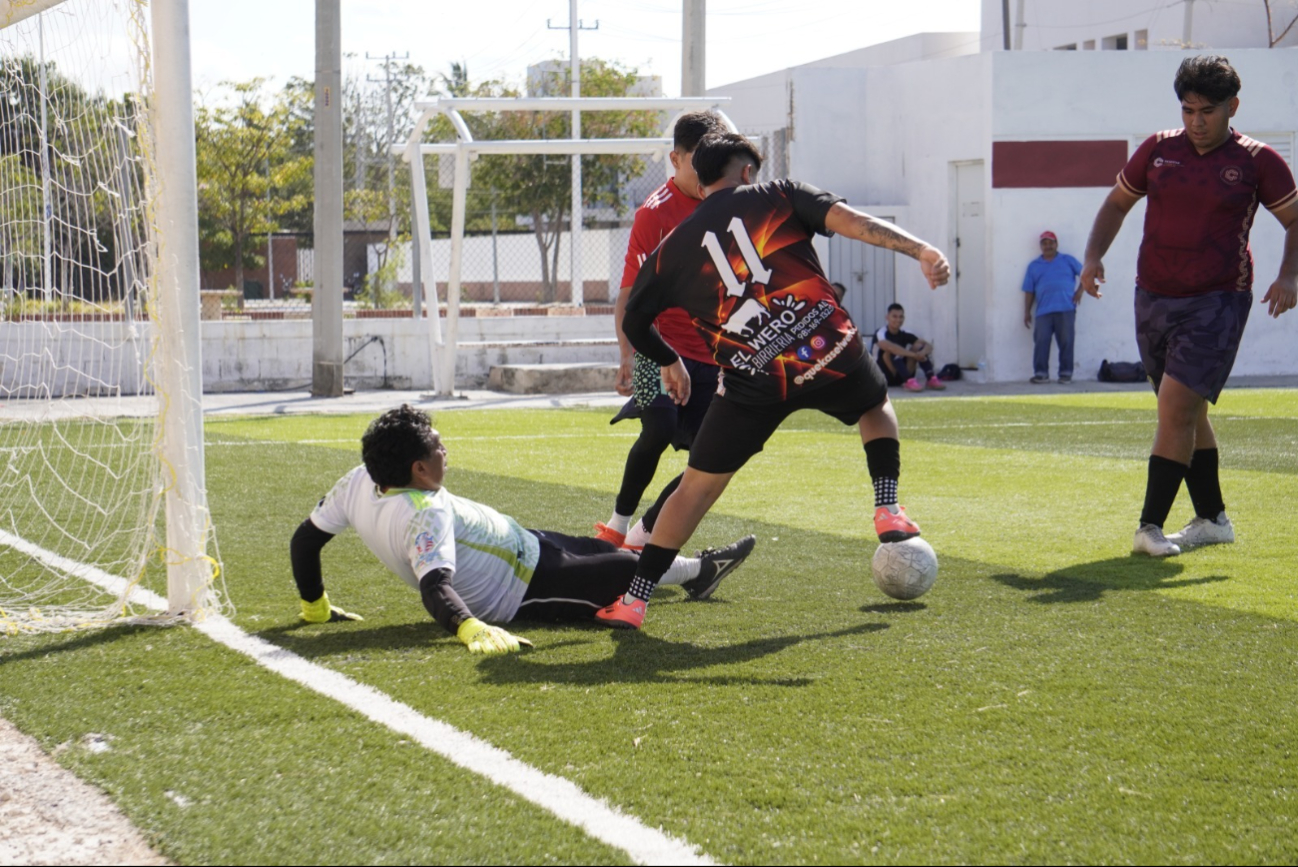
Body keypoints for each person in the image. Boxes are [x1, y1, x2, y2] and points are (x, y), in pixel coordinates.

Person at [595, 132, 951, 629]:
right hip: (825, 351)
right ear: (746, 171)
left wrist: (665, 357)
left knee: (694, 490)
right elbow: (855, 224)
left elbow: (634, 319)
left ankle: (634, 601)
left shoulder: (672, 248)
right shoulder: (778, 194)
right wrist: (921, 250)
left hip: (752, 379)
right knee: (875, 408)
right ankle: (888, 508)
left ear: (699, 183)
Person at [289, 405, 756, 653]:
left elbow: (306, 540)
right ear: (420, 469)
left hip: (525, 545)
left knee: (605, 552)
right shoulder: (422, 512)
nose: (445, 451)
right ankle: (700, 572)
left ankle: (694, 567)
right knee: (626, 569)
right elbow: (435, 584)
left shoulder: (358, 479)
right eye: (438, 448)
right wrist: (469, 627)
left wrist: (315, 608)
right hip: (523, 588)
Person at [1080, 55, 1298, 557]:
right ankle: (1213, 519)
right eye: (1188, 110)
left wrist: (1288, 274)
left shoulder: (1257, 160)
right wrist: (1093, 257)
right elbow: (1116, 203)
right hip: (1152, 295)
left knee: (1176, 407)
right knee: (1185, 411)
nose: (1197, 122)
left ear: (1232, 107)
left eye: (1208, 111)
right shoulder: (1158, 150)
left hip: (1218, 300)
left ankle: (1149, 528)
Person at [596, 111, 728, 551]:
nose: (711, 171)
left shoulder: (731, 203)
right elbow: (629, 295)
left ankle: (641, 537)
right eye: (700, 161)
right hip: (659, 346)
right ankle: (616, 526)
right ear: (675, 159)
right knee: (658, 427)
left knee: (711, 460)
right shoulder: (653, 215)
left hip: (714, 353)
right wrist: (627, 354)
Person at [1022, 230, 1083, 384]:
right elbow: (1029, 290)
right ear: (1040, 246)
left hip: (1066, 308)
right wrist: (1027, 312)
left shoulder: (1067, 260)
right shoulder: (1033, 266)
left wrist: (1080, 292)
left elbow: (1086, 274)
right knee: (1041, 342)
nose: (1048, 246)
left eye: (1051, 242)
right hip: (1043, 311)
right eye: (1044, 243)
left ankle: (1065, 374)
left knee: (1067, 342)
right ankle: (1041, 374)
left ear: (1057, 244)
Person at [872, 303, 945, 392]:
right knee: (892, 351)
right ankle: (908, 380)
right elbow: (889, 347)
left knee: (918, 346)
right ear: (887, 317)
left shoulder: (906, 332)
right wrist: (914, 355)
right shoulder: (881, 332)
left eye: (901, 317)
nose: (898, 320)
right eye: (894, 316)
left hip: (902, 373)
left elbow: (929, 346)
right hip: (884, 375)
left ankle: (930, 378)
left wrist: (922, 353)